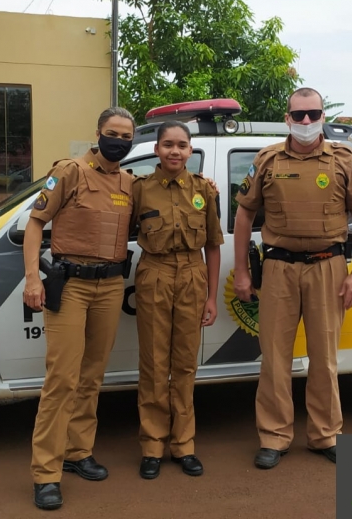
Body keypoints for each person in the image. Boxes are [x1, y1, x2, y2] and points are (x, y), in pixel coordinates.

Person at [233, 87, 352, 469]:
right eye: (299, 115)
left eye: (313, 114)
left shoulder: (345, 160)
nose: (307, 122)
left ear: (323, 115)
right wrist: (242, 271)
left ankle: (325, 434)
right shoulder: (267, 160)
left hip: (328, 267)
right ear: (287, 119)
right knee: (274, 359)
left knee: (324, 358)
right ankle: (274, 437)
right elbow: (244, 215)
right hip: (278, 268)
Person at [23, 107, 136, 510]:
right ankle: (45, 473)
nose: (119, 141)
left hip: (109, 286)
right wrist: (33, 277)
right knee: (62, 379)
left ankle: (77, 452)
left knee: (91, 376)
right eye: (112, 133)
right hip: (69, 285)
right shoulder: (69, 171)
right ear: (98, 133)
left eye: (126, 135)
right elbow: (36, 222)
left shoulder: (129, 181)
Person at [131, 120, 224, 480]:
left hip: (192, 275)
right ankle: (152, 445)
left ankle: (184, 446)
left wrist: (211, 297)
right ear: (156, 149)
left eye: (182, 145)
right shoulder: (139, 189)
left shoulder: (204, 191)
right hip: (154, 272)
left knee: (185, 365)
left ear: (190, 150)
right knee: (154, 364)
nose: (175, 151)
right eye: (168, 144)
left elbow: (213, 245)